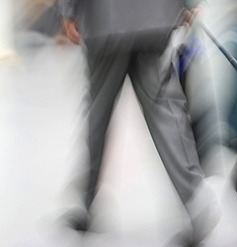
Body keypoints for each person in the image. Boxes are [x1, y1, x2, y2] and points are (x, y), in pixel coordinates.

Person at [59, 0, 220, 245]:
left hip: (105, 17)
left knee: (99, 112)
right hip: (155, 14)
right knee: (165, 109)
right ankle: (196, 200)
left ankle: (85, 202)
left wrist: (69, 10)